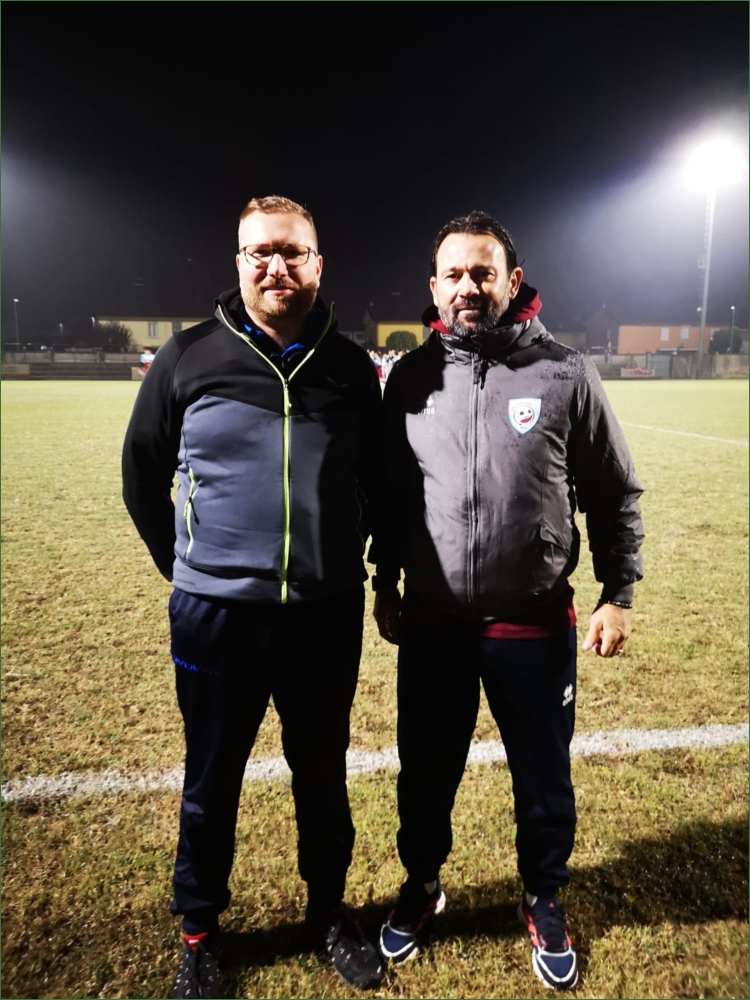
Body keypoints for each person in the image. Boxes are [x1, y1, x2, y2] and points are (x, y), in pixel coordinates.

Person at [371, 211, 644, 990]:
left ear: (511, 281)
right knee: (426, 772)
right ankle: (423, 884)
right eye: (453, 274)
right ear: (433, 287)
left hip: (533, 617)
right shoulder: (410, 378)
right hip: (433, 620)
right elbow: (391, 496)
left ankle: (543, 894)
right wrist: (384, 583)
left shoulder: (564, 373)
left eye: (482, 272)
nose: (468, 286)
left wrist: (618, 593)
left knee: (542, 776)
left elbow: (613, 490)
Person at [122, 195, 384, 997]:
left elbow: (379, 483)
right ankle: (200, 932)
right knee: (212, 778)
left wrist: (360, 564)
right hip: (215, 617)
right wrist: (189, 568)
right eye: (260, 252)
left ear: (317, 264)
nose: (276, 266)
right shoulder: (186, 356)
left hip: (325, 613)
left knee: (322, 774)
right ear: (238, 263)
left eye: (292, 252)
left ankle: (327, 912)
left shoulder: (350, 368)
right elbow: (141, 475)